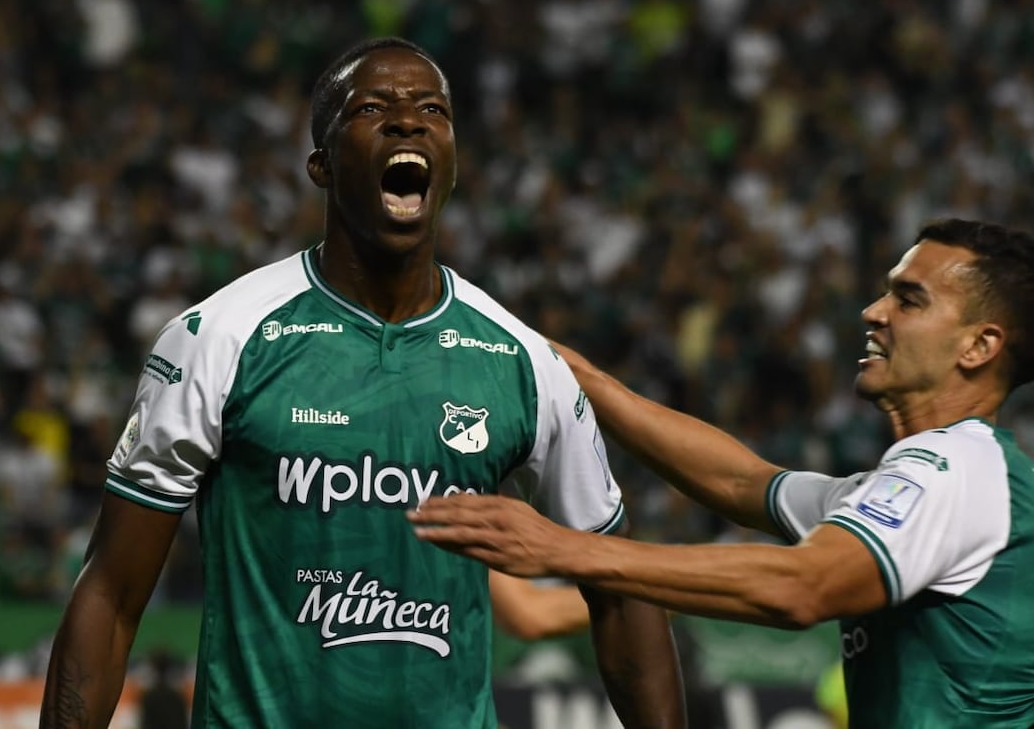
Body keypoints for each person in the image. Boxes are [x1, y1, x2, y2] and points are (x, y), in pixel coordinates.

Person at [40, 37, 685, 728]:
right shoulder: (217, 339)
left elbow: (621, 586)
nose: (408, 120)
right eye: (372, 106)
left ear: (454, 163)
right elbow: (110, 595)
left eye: (431, 108)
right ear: (321, 163)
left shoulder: (523, 361)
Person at [410, 218, 1034, 726]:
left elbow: (802, 587)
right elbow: (742, 482)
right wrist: (549, 362)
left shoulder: (959, 469)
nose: (874, 311)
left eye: (908, 299)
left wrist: (564, 549)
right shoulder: (918, 485)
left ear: (979, 346)